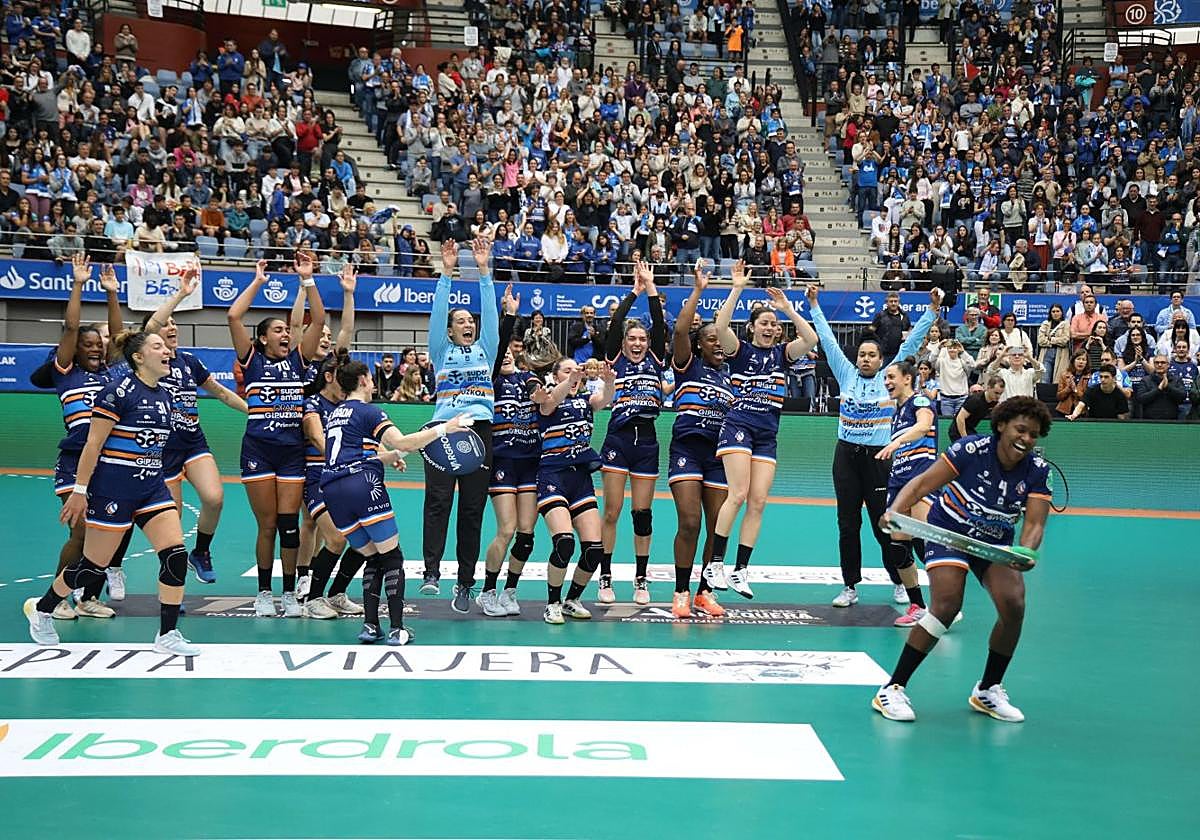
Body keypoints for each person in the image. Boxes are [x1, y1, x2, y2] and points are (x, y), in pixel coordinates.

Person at [873, 397, 1053, 724]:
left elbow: (1035, 523)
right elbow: (923, 483)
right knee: (946, 605)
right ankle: (892, 689)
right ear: (1001, 425)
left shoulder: (1038, 470)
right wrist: (895, 510)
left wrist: (1026, 552)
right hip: (949, 530)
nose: (1026, 439)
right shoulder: (970, 450)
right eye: (1021, 430)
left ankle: (988, 689)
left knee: (1014, 605)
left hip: (994, 542)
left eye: (1033, 434)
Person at [25, 331, 200, 656]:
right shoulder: (117, 392)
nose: (167, 351)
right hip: (113, 491)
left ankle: (168, 634)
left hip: (151, 488)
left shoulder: (164, 395)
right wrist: (79, 490)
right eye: (158, 346)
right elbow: (92, 444)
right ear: (138, 356)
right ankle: (44, 608)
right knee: (92, 567)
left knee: (175, 555)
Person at [321, 358, 472, 645]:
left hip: (332, 490)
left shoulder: (336, 413)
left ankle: (369, 626)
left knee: (373, 557)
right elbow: (403, 442)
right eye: (370, 378)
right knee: (392, 557)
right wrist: (445, 429)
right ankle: (397, 629)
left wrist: (385, 458)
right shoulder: (370, 411)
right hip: (361, 485)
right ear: (364, 380)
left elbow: (350, 452)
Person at [810, 284, 941, 608]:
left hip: (880, 460)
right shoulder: (846, 374)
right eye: (862, 356)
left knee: (884, 523)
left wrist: (932, 312)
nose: (866, 359)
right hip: (846, 458)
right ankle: (850, 586)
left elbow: (911, 342)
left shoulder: (889, 378)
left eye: (872, 356)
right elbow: (827, 339)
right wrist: (813, 304)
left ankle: (899, 580)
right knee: (847, 524)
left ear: (882, 360)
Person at [705, 264, 818, 598]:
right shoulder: (739, 350)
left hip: (767, 434)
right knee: (737, 494)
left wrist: (787, 308)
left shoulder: (783, 355)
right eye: (764, 322)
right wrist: (737, 287)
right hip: (738, 426)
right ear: (752, 327)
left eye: (774, 324)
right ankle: (716, 564)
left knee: (758, 501)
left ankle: (740, 570)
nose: (770, 327)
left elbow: (810, 338)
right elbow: (720, 325)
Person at [228, 255, 326, 618]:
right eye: (279, 331)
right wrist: (256, 282)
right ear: (263, 337)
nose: (286, 334)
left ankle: (288, 593)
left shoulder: (299, 361)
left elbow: (318, 319)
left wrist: (308, 280)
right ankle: (264, 593)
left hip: (290, 452)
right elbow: (233, 317)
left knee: (289, 524)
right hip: (257, 450)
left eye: (288, 331)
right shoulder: (251, 360)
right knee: (266, 524)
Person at [141, 269, 248, 591]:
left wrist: (255, 412)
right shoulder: (146, 363)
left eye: (175, 323)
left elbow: (222, 393)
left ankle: (201, 552)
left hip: (193, 443)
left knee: (214, 498)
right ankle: (174, 584)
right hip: (162, 450)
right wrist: (181, 294)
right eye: (166, 324)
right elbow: (150, 326)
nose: (171, 326)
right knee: (171, 523)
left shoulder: (190, 362)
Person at [420, 237, 498, 612]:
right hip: (442, 431)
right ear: (450, 331)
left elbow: (491, 314)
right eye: (460, 321)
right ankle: (432, 572)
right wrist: (447, 272)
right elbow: (437, 313)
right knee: (437, 501)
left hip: (479, 431)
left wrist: (484, 271)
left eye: (470, 320)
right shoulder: (441, 350)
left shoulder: (486, 349)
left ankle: (465, 584)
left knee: (472, 509)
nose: (468, 323)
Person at [47, 255, 123, 620]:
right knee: (79, 535)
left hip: (110, 464)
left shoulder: (113, 374)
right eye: (87, 343)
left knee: (106, 536)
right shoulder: (66, 372)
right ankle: (58, 596)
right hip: (74, 463)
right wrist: (78, 283)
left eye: (99, 344)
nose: (95, 347)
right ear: (76, 348)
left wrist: (112, 294)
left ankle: (89, 597)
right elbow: (70, 327)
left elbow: (119, 335)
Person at [598, 260, 667, 605]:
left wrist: (652, 290)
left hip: (648, 441)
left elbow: (660, 325)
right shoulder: (614, 359)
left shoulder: (656, 359)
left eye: (642, 338)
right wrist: (635, 291)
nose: (637, 342)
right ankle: (605, 576)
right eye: (632, 338)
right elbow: (614, 324)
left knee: (642, 514)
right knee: (611, 511)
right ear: (624, 342)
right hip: (618, 440)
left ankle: (641, 580)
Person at [667, 266, 734, 618]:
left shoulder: (732, 377)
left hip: (719, 456)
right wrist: (697, 290)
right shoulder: (687, 365)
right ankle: (680, 591)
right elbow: (680, 329)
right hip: (687, 450)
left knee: (716, 527)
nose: (718, 343)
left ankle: (704, 593)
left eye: (721, 337)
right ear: (699, 344)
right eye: (711, 338)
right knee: (690, 521)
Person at [533, 356, 616, 624]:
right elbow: (550, 403)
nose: (574, 375)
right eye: (566, 371)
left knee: (594, 548)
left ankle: (572, 599)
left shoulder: (585, 401)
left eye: (576, 371)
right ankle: (552, 602)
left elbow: (604, 399)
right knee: (565, 542)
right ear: (557, 376)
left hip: (580, 479)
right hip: (552, 475)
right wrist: (572, 378)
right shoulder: (548, 399)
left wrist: (609, 381)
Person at [479, 285, 539, 618]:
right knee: (506, 528)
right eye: (499, 354)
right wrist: (509, 316)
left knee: (526, 535)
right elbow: (498, 344)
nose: (503, 356)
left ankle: (510, 589)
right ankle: (487, 591)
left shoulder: (529, 378)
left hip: (530, 464)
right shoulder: (491, 382)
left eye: (507, 354)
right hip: (502, 461)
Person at [298, 352, 366, 620]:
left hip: (346, 478)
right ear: (328, 378)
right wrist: (343, 456)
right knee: (336, 538)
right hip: (318, 479)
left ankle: (337, 594)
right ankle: (313, 599)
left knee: (365, 538)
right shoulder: (313, 404)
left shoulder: (347, 408)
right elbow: (316, 436)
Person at [877, 359, 935, 627]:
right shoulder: (898, 411)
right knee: (898, 550)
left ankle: (944, 606)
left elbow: (924, 426)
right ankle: (918, 607)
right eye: (885, 378)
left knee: (929, 546)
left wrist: (897, 441)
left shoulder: (919, 402)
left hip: (921, 478)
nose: (887, 382)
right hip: (898, 482)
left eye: (891, 377)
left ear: (907, 379)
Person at [949, 376, 1005, 441]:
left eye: (1001, 393)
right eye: (996, 393)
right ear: (988, 388)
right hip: (957, 430)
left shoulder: (994, 402)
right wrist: (965, 439)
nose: (998, 396)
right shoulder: (975, 400)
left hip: (970, 429)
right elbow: (960, 418)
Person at [1066, 364, 1130, 420]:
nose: (1102, 380)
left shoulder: (1120, 395)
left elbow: (1122, 417)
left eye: (1106, 377)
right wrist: (1074, 415)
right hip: (1093, 424)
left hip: (1112, 425)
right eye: (1101, 377)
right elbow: (1081, 405)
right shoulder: (1092, 390)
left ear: (1114, 378)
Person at [1136, 356, 1187, 420]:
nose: (1159, 365)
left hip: (1172, 421)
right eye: (1157, 363)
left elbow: (1183, 396)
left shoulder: (1176, 379)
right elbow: (1140, 398)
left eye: (1163, 362)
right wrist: (1158, 389)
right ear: (1154, 364)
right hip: (1149, 421)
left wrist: (1168, 387)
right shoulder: (1146, 380)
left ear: (1168, 365)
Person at [870, 291, 911, 358]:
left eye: (895, 301)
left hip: (899, 354)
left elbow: (908, 331)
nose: (893, 303)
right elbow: (871, 332)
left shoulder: (904, 316)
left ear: (898, 302)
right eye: (891, 301)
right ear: (886, 303)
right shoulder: (879, 316)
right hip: (883, 354)